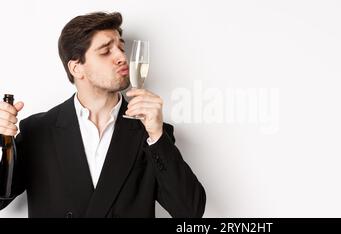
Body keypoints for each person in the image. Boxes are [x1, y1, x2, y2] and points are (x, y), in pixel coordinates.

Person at [0, 12, 206, 218]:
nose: (121, 57)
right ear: (77, 68)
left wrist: (157, 135)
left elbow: (190, 211)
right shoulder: (37, 131)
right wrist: (4, 141)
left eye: (121, 48)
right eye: (106, 51)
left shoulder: (152, 132)